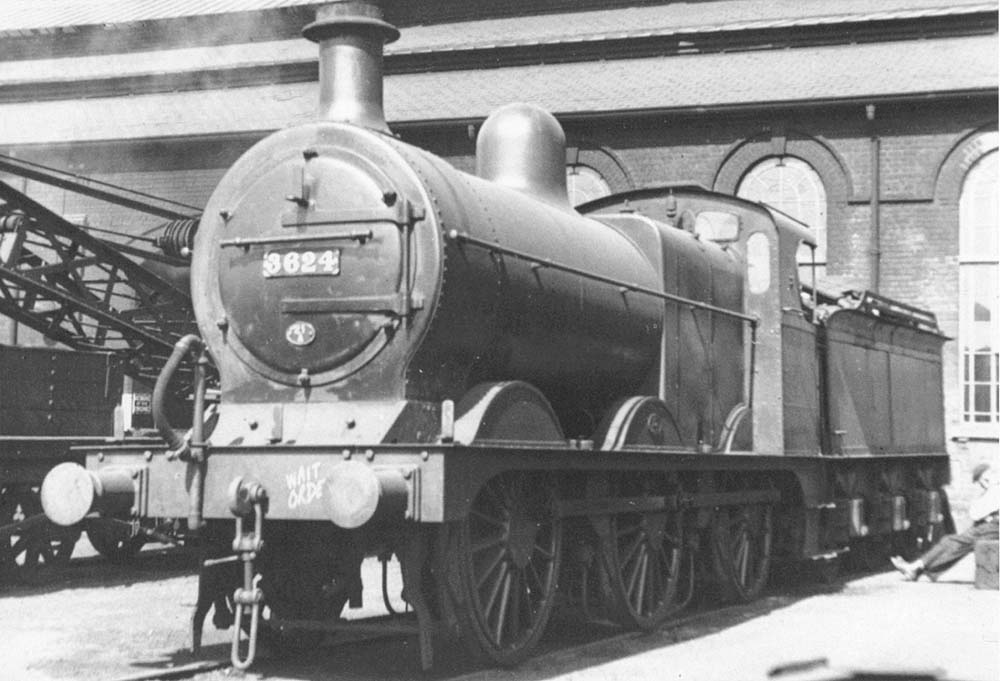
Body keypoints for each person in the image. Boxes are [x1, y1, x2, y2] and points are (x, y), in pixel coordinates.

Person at [890, 462, 999, 581]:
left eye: (980, 482)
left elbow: (975, 514)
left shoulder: (995, 490)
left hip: (993, 527)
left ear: (985, 478)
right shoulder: (993, 490)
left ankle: (916, 567)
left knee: (951, 541)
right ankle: (920, 570)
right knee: (956, 546)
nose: (981, 485)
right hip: (991, 527)